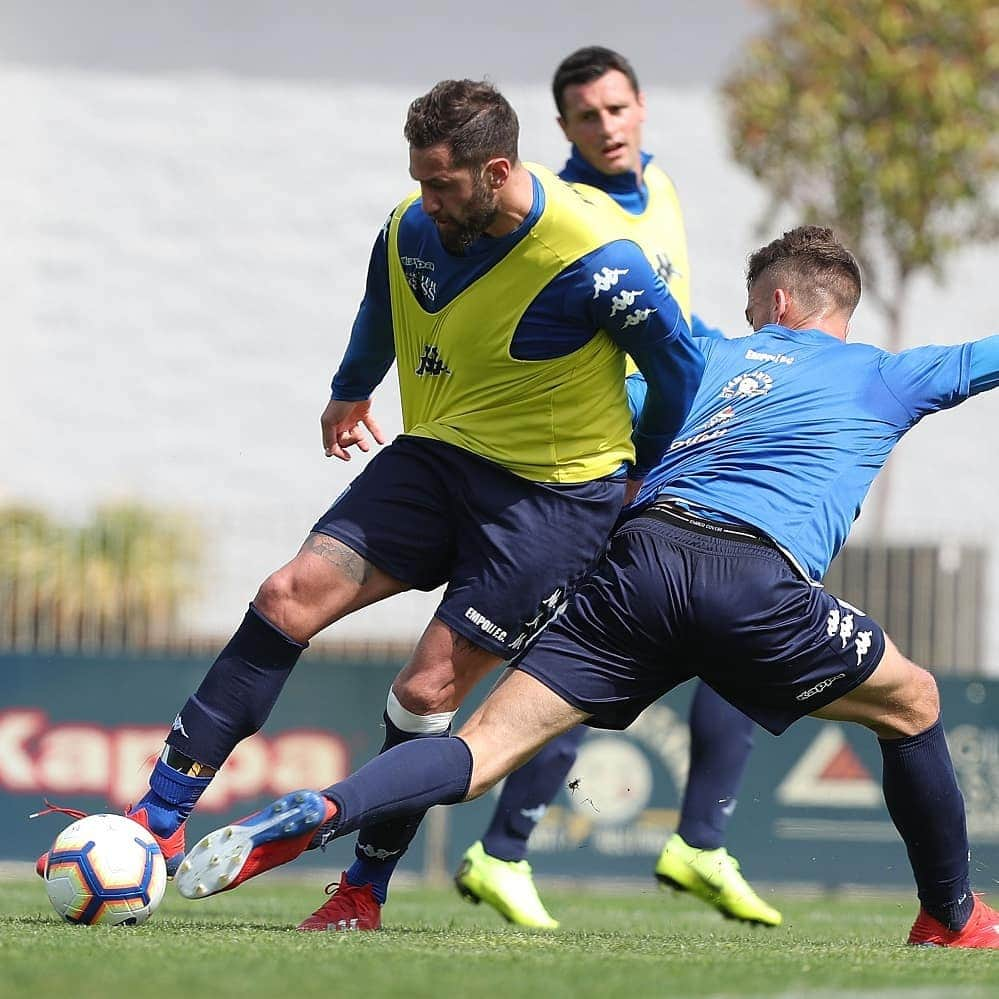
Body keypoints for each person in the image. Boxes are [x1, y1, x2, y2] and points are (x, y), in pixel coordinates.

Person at [176, 225, 999, 948]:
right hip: (753, 579)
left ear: (777, 301)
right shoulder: (888, 372)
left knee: (479, 751)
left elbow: (596, 413)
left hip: (635, 566)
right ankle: (950, 914)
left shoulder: (708, 354)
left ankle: (323, 809)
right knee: (914, 701)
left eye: (753, 309)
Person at [34, 79, 704, 931]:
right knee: (285, 596)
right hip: (436, 460)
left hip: (554, 501)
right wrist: (349, 390)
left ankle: (362, 888)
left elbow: (678, 371)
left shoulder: (597, 262)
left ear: (497, 170)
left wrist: (637, 477)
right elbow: (383, 304)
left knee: (425, 688)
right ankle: (156, 822)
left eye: (443, 183)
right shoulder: (411, 227)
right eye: (418, 178)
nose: (424, 200)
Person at [452, 45, 778, 931]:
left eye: (617, 108)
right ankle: (507, 848)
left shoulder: (660, 186)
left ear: (640, 108)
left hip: (679, 444)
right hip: (616, 461)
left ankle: (688, 840)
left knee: (746, 617)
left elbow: (670, 319)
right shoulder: (568, 212)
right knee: (603, 655)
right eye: (587, 115)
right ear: (560, 130)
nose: (606, 126)